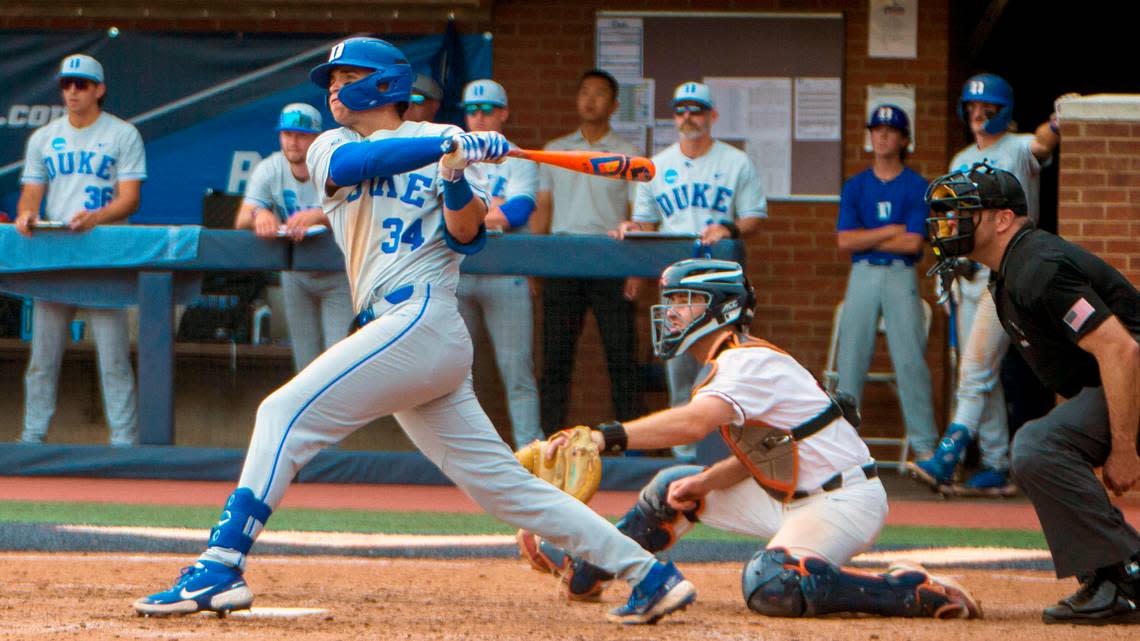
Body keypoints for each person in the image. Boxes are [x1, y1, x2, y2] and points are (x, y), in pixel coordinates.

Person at [133, 37, 695, 626]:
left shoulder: (443, 149)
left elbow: (467, 234)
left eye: (343, 76)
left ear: (382, 84)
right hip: (404, 333)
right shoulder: (334, 144)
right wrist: (445, 143)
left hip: (422, 318)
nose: (331, 88)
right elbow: (360, 166)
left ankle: (221, 564)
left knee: (281, 414)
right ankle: (649, 574)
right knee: (504, 487)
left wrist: (454, 173)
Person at [517, 258, 980, 620]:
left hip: (843, 502)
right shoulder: (734, 363)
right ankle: (589, 568)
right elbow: (773, 448)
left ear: (722, 308)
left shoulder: (745, 362)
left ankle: (908, 591)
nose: (673, 312)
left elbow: (694, 424)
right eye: (673, 301)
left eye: (687, 300)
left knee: (772, 582)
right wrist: (707, 483)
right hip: (792, 495)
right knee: (672, 489)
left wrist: (606, 436)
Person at [925, 162, 1139, 624]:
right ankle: (1113, 573)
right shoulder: (1010, 270)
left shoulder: (1036, 266)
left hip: (1134, 373)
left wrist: (1122, 449)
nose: (949, 223)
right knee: (1048, 442)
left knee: (1038, 444)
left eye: (965, 212)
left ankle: (1122, 575)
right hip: (1124, 382)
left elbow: (1121, 350)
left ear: (1003, 218)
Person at [909, 73, 1062, 494]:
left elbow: (1044, 143)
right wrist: (948, 268)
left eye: (987, 109)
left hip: (1006, 272)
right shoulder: (960, 157)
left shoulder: (1017, 147)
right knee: (977, 372)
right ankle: (996, 463)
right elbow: (950, 220)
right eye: (973, 108)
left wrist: (1057, 119)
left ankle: (948, 454)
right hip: (967, 273)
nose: (978, 115)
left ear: (1003, 111)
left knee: (975, 370)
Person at [615, 81, 767, 460]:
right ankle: (686, 461)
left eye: (696, 110)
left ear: (712, 116)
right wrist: (633, 230)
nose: (688, 116)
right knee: (680, 375)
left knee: (724, 374)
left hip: (723, 288)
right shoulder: (657, 165)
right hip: (677, 288)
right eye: (681, 109)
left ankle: (723, 458)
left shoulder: (736, 162)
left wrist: (728, 228)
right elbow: (647, 224)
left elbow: (754, 218)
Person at [14, 53, 146, 447]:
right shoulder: (43, 137)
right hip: (57, 252)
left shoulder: (123, 134)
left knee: (114, 358)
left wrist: (97, 216)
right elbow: (31, 196)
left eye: (81, 84)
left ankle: (124, 441)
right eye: (66, 84)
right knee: (43, 357)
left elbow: (131, 199)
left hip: (104, 250)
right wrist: (25, 215)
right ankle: (32, 438)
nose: (72, 91)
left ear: (98, 89)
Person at [531, 68, 641, 435]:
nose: (590, 100)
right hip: (563, 258)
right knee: (556, 358)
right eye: (584, 93)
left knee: (622, 356)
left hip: (612, 259)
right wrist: (534, 262)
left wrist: (636, 268)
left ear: (613, 106)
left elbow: (637, 216)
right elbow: (543, 207)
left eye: (599, 94)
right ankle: (548, 441)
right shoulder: (554, 150)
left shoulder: (627, 155)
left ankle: (632, 441)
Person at [833, 105, 937, 461]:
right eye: (877, 129)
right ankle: (843, 449)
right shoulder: (856, 185)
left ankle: (925, 449)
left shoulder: (916, 185)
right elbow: (845, 241)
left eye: (890, 131)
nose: (882, 136)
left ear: (904, 139)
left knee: (909, 361)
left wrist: (870, 236)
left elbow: (912, 243)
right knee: (851, 358)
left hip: (899, 273)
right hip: (862, 273)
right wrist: (890, 230)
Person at [455, 79, 543, 448]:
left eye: (487, 110)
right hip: (457, 274)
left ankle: (530, 450)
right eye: (473, 111)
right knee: (454, 372)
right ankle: (461, 451)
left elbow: (519, 209)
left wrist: (471, 215)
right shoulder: (451, 155)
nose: (479, 117)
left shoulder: (516, 155)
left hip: (505, 273)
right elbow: (441, 214)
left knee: (516, 370)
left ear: (503, 113)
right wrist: (492, 210)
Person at [234, 103, 353, 372]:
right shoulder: (270, 167)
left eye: (301, 135)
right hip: (296, 274)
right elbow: (242, 217)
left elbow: (359, 212)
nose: (293, 142)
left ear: (316, 138)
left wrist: (320, 215)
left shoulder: (332, 165)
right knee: (305, 365)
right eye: (287, 134)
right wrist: (259, 214)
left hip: (339, 273)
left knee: (340, 365)